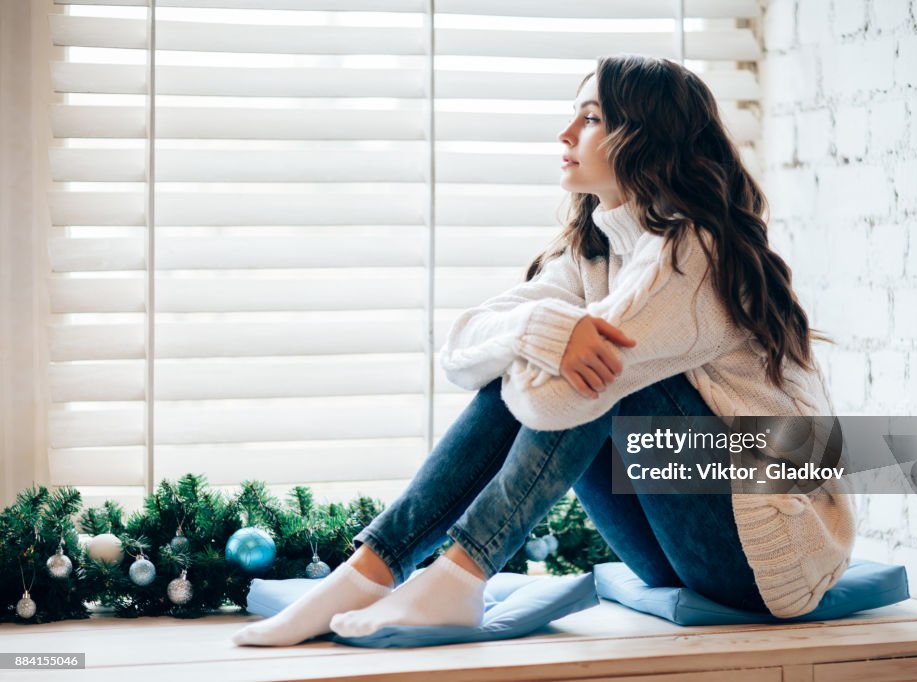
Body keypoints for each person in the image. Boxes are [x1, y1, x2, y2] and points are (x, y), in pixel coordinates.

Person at [232, 54, 856, 648]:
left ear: (644, 136)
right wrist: (538, 331)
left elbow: (557, 394)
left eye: (590, 118)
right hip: (677, 547)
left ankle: (457, 574)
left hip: (772, 550)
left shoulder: (698, 252)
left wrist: (547, 340)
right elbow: (461, 349)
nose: (565, 133)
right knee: (558, 348)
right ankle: (370, 570)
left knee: (597, 371)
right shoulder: (594, 251)